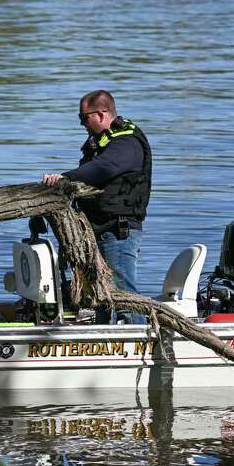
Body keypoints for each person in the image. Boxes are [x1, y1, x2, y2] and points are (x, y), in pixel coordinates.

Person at [43, 89, 152, 324]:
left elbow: (105, 167)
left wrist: (66, 178)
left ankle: (138, 344)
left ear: (102, 114)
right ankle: (103, 340)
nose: (82, 124)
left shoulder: (126, 142)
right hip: (101, 229)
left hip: (118, 232)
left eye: (84, 118)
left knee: (124, 297)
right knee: (101, 298)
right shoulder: (103, 141)